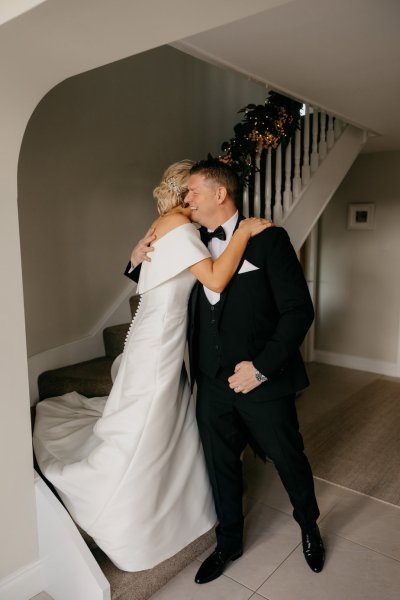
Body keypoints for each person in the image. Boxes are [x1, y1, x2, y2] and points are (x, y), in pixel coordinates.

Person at [33, 159, 269, 572]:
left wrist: (135, 257)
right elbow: (213, 280)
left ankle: (174, 498)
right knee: (148, 421)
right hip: (159, 338)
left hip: (164, 332)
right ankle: (128, 509)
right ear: (184, 194)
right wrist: (244, 231)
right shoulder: (178, 225)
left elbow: (151, 270)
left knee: (165, 419)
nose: (197, 196)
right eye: (192, 190)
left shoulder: (172, 225)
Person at [128, 158, 325, 584]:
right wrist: (135, 259)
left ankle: (309, 526)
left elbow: (298, 311)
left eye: (194, 191)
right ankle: (229, 542)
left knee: (289, 457)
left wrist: (262, 369)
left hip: (262, 381)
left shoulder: (268, 239)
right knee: (221, 465)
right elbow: (157, 283)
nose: (187, 199)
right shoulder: (188, 236)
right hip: (211, 380)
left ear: (220, 193)